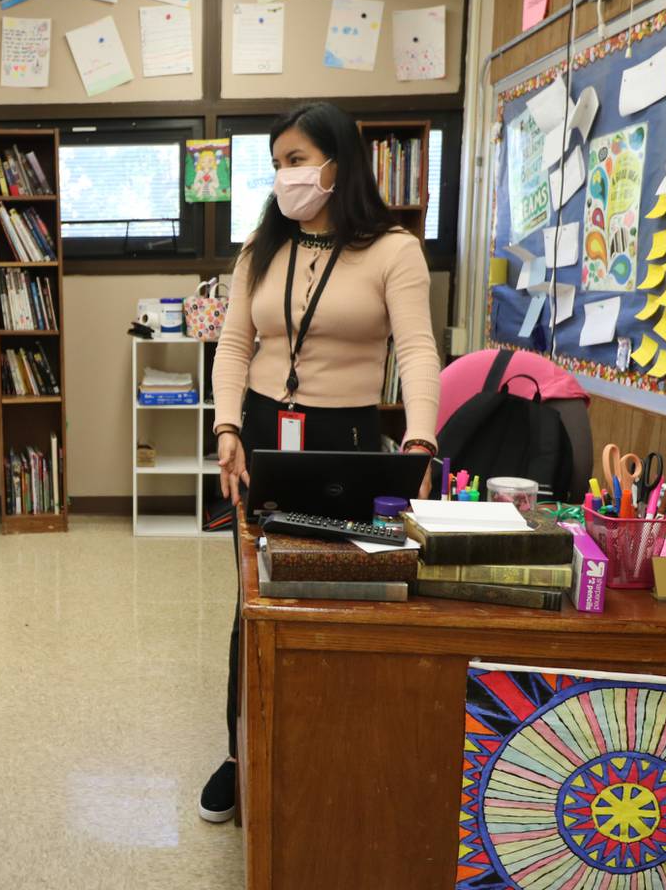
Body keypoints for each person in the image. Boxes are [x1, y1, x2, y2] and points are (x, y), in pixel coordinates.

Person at [198, 103, 442, 823]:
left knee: (348, 589)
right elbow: (235, 346)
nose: (286, 176)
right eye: (278, 163)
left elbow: (419, 349)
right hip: (269, 432)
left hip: (351, 439)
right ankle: (242, 751)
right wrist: (227, 429)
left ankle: (333, 742)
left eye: (298, 159)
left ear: (340, 163)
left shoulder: (393, 249)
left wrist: (420, 441)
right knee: (257, 593)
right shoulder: (261, 248)